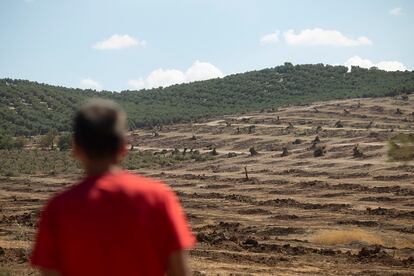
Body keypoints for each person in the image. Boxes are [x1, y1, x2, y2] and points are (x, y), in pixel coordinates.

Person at [30, 99, 195, 276]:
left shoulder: (58, 208)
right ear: (123, 147)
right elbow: (180, 271)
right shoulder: (158, 197)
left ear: (75, 148)